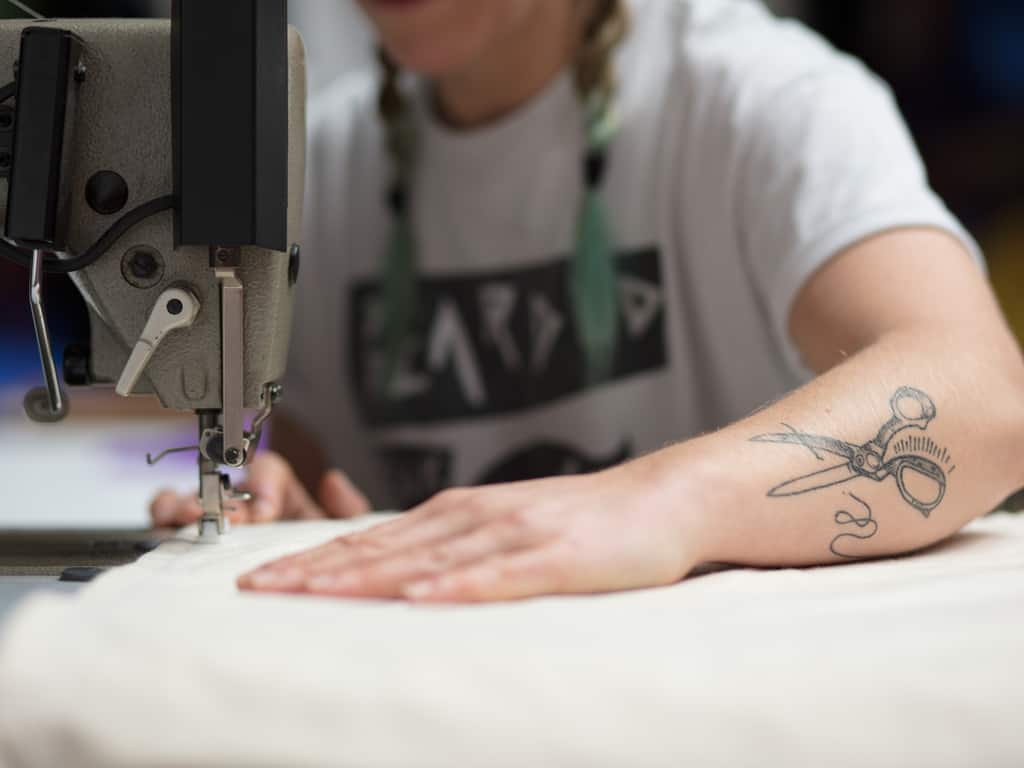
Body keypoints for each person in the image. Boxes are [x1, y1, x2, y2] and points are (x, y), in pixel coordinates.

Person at [151, 0, 1024, 603]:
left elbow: (983, 398)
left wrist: (660, 501)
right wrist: (281, 509)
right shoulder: (329, 163)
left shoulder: (760, 96)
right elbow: (297, 463)